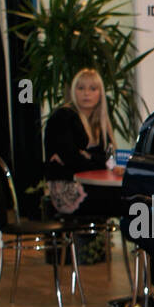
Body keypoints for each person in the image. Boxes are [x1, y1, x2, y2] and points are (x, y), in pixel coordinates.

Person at [43, 68, 115, 217]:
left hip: (92, 186)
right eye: (81, 88)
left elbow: (109, 158)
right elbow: (73, 160)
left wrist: (88, 156)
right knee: (130, 202)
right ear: (73, 92)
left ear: (100, 93)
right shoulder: (63, 117)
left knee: (137, 197)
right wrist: (92, 159)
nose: (86, 93)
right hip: (67, 190)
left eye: (92, 89)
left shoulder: (101, 123)